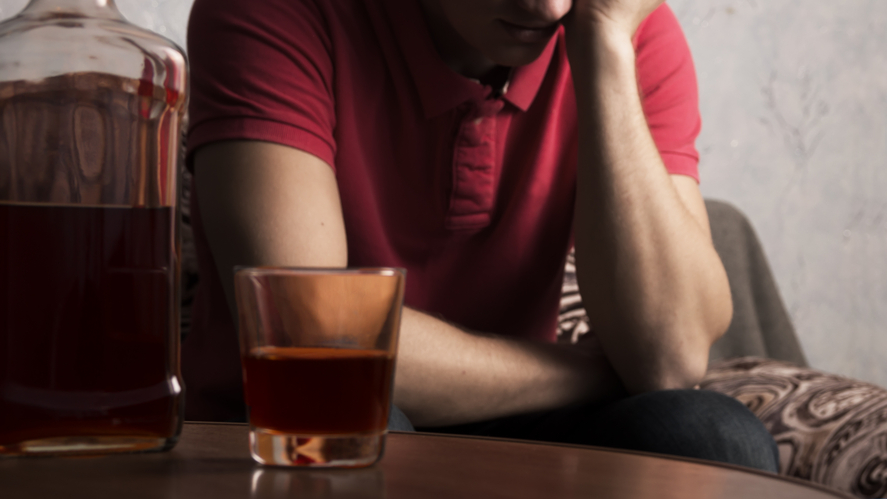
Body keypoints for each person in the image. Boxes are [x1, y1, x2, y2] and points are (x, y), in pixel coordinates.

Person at [183, 0, 780, 471]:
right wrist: (589, 372)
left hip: (520, 425)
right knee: (336, 415)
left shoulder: (616, 27)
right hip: (280, 426)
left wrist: (604, 48)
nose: (548, 8)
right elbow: (307, 339)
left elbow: (670, 359)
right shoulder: (269, 11)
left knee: (711, 434)